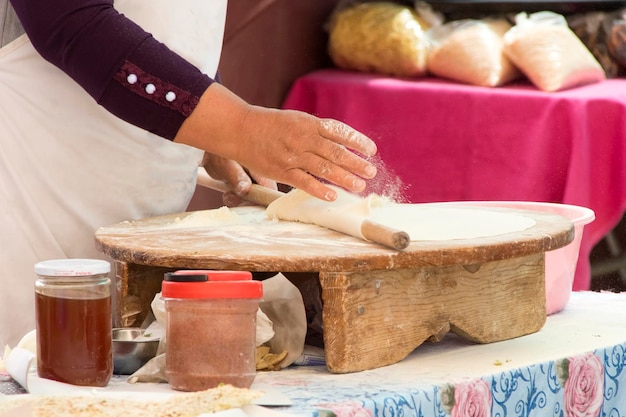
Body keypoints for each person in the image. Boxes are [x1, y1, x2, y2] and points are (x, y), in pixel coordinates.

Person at [0, 0, 378, 347]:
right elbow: (72, 23)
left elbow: (169, 25)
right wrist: (240, 126)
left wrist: (211, 130)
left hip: (140, 236)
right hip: (30, 201)